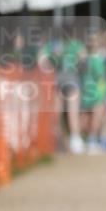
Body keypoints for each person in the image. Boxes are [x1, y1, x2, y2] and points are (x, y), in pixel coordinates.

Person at [38, 26, 86, 154]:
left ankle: (58, 141)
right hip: (72, 79)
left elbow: (42, 59)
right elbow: (84, 60)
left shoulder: (54, 45)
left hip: (58, 80)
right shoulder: (77, 45)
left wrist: (53, 62)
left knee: (57, 112)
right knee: (72, 112)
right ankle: (75, 140)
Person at [79, 31, 106, 154]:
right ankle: (91, 140)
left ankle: (80, 139)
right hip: (96, 92)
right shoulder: (98, 60)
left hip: (85, 91)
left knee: (85, 117)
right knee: (96, 117)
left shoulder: (82, 60)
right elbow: (102, 77)